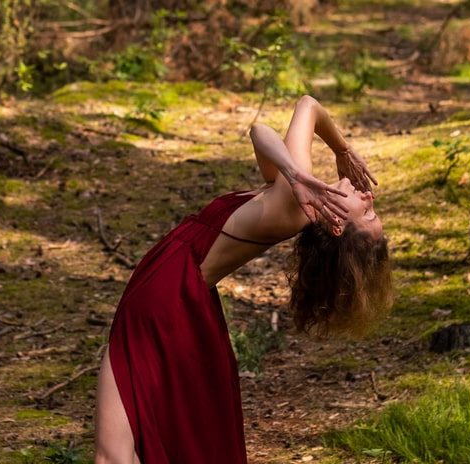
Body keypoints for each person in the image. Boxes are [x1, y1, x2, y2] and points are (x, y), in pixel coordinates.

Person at [94, 95, 394, 464]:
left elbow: (307, 105)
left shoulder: (298, 207)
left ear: (336, 225)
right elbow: (259, 134)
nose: (368, 194)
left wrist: (336, 150)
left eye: (366, 210)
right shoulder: (297, 196)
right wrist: (297, 171)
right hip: (175, 294)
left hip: (166, 296)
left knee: (116, 452)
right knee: (122, 448)